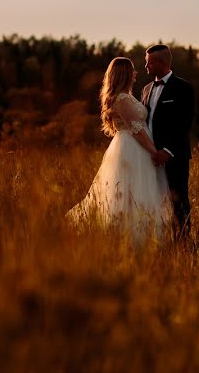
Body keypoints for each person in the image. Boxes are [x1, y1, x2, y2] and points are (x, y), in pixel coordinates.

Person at [67, 57, 171, 244]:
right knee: (131, 190)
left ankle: (143, 234)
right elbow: (136, 129)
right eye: (132, 70)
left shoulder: (127, 96)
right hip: (132, 147)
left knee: (139, 189)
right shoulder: (121, 99)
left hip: (136, 146)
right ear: (124, 74)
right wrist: (154, 151)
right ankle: (131, 238)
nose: (136, 73)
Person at [141, 44, 195, 240]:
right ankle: (159, 238)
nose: (145, 67)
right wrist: (150, 151)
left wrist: (168, 150)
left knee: (178, 199)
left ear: (162, 63)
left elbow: (184, 123)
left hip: (175, 155)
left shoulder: (183, 88)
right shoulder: (146, 89)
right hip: (150, 156)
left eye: (149, 63)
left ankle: (182, 241)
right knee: (153, 198)